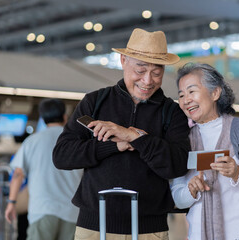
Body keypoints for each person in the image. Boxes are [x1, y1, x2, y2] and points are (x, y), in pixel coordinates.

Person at [53, 28, 190, 240]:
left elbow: (178, 165)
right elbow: (62, 155)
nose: (147, 81)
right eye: (140, 70)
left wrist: (134, 137)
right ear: (123, 60)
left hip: (149, 230)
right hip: (94, 227)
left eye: (156, 73)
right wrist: (114, 145)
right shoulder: (95, 101)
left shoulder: (172, 112)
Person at [171, 63, 239, 240]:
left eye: (192, 91)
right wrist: (190, 191)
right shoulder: (183, 140)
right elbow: (176, 197)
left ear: (215, 93)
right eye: (181, 95)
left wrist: (237, 173)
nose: (186, 100)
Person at [5, 99, 83, 240]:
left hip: (43, 209)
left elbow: (18, 174)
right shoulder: (76, 141)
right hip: (72, 212)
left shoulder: (32, 141)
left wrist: (12, 203)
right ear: (65, 116)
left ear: (43, 118)